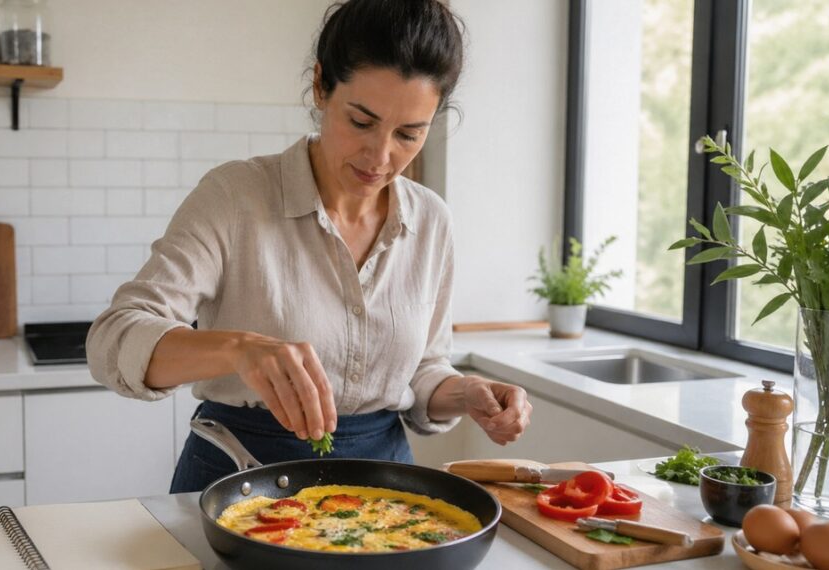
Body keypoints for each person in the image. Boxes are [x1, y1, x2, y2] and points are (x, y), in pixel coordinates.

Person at [87, 0, 532, 494]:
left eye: (409, 133)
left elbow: (423, 369)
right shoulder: (235, 196)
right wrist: (239, 350)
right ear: (321, 85)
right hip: (240, 475)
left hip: (383, 491)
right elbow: (114, 340)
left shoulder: (431, 221)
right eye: (361, 122)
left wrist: (466, 394)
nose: (381, 157)